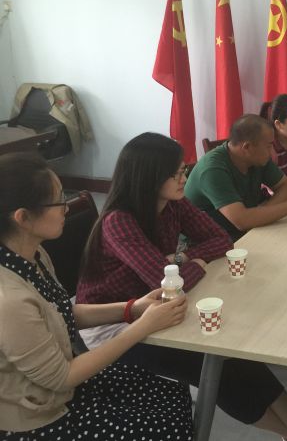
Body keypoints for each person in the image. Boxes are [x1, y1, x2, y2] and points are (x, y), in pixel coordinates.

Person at [76, 132, 287, 441]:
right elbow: (166, 284)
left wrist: (182, 258)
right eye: (176, 173)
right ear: (149, 177)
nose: (184, 178)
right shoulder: (119, 221)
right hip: (115, 325)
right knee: (213, 361)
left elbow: (222, 240)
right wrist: (193, 265)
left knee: (233, 352)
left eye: (183, 169)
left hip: (158, 309)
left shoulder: (173, 204)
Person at [0, 152, 192, 440]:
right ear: (23, 217)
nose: (66, 208)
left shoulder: (33, 254)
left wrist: (132, 309)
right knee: (165, 426)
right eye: (58, 201)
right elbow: (62, 377)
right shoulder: (8, 299)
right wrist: (143, 326)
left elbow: (61, 312)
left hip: (67, 389)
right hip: (41, 416)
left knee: (173, 395)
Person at [185, 114, 287, 241]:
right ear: (247, 147)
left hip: (243, 232)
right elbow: (242, 221)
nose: (272, 152)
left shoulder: (257, 157)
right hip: (206, 242)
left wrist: (259, 214)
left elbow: (286, 188)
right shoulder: (212, 169)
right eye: (269, 146)